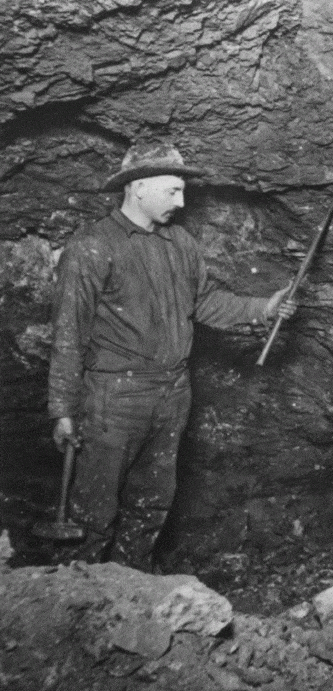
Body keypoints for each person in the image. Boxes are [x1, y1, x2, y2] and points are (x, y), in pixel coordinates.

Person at [47, 143, 297, 571]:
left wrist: (264, 308)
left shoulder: (181, 243)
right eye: (173, 191)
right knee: (93, 511)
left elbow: (206, 303)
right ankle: (79, 594)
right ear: (139, 187)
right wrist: (62, 410)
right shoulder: (91, 247)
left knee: (152, 503)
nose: (181, 202)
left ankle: (134, 584)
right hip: (114, 397)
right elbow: (69, 332)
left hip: (173, 393)